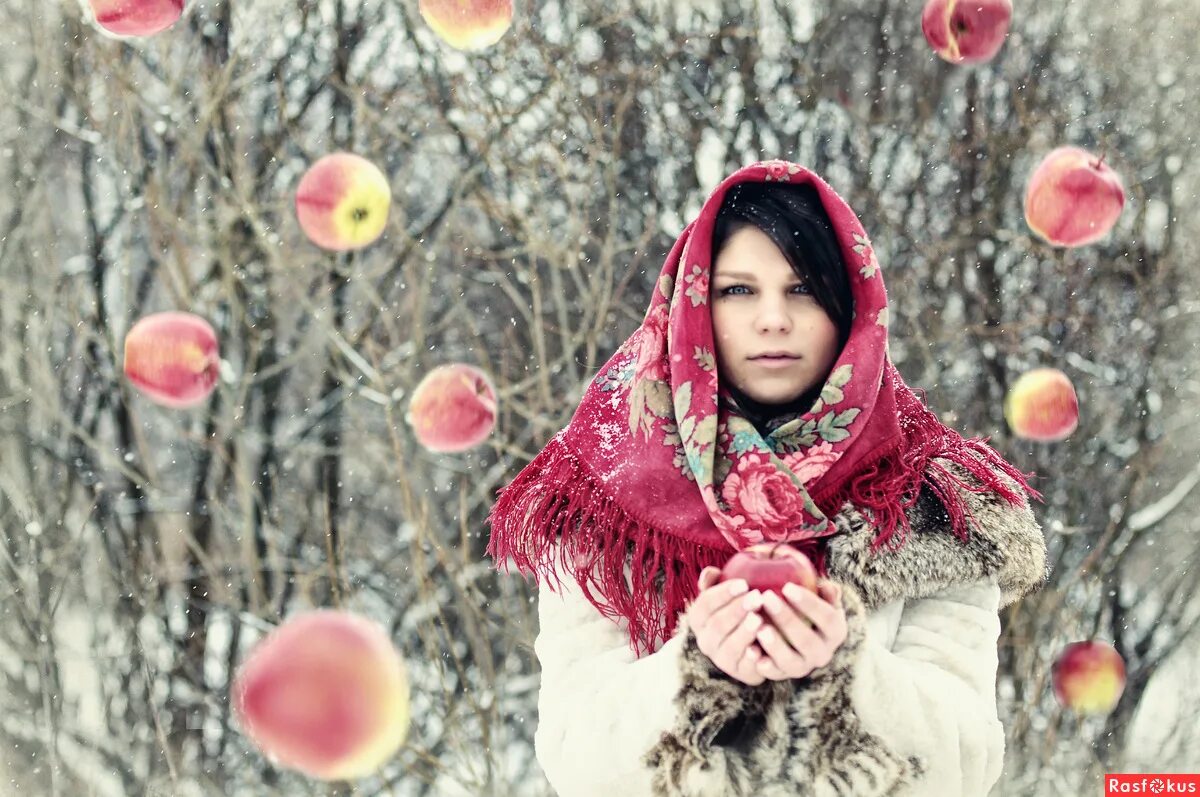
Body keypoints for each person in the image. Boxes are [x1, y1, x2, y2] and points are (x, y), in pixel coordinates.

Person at [486, 160, 1048, 797]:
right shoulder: (607, 489)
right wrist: (695, 672)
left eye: (803, 288)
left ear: (850, 305)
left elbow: (965, 762)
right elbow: (577, 760)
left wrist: (846, 670)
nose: (774, 319)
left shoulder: (932, 499)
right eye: (738, 290)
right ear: (694, 304)